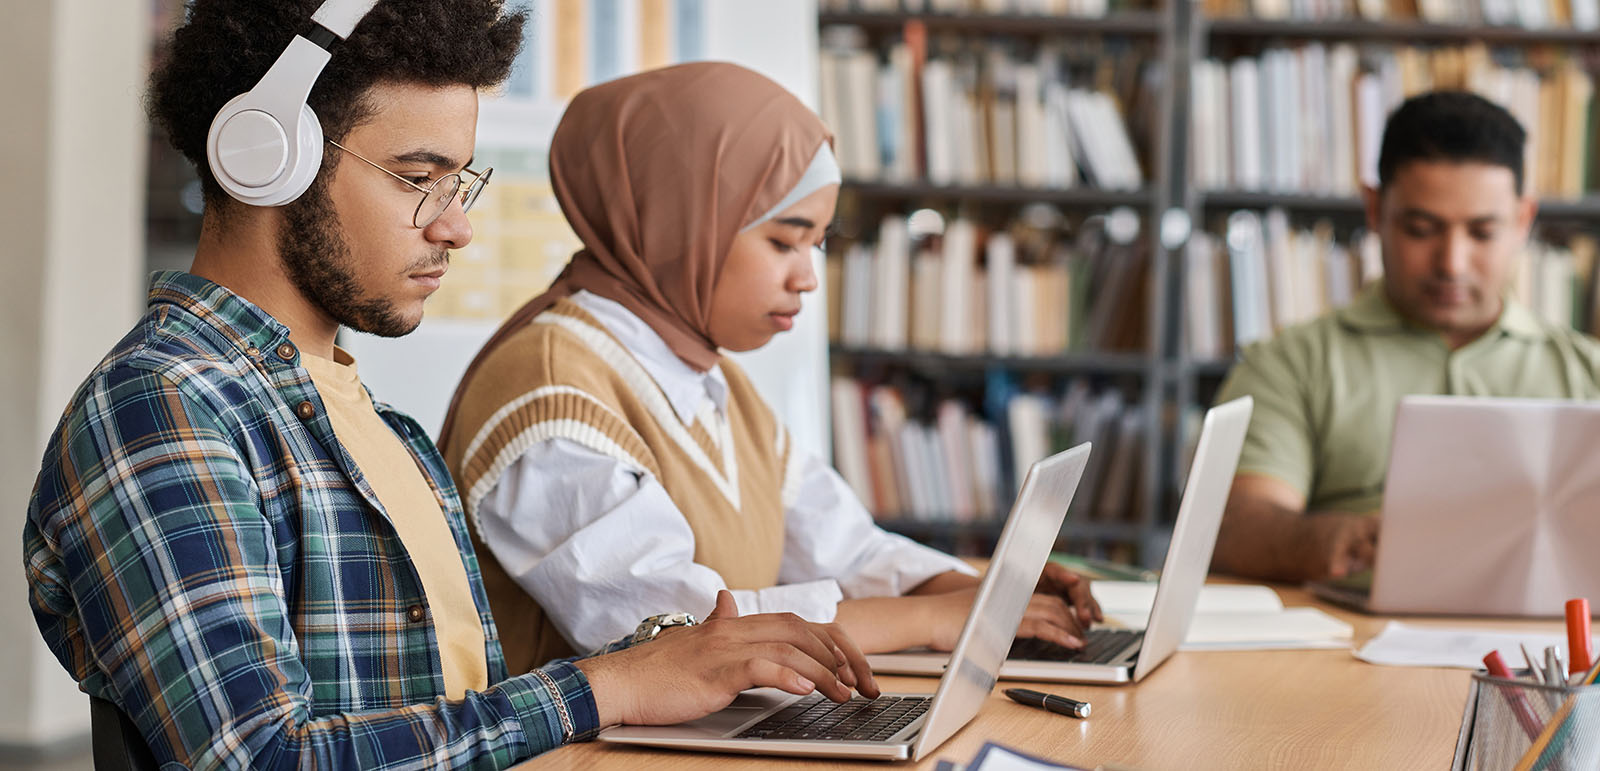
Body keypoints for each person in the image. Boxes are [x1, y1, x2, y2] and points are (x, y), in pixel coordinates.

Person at [24, 3, 875, 768]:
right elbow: (257, 756)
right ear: (266, 157)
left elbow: (460, 718)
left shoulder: (381, 425)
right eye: (415, 175)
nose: (456, 225)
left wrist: (673, 658)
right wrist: (603, 689)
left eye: (458, 179)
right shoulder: (163, 406)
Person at [439, 62, 1102, 675]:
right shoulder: (548, 389)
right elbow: (680, 632)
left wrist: (982, 589)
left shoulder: (708, 378)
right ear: (681, 222)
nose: (807, 278)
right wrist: (927, 617)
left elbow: (848, 549)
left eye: (817, 244)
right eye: (784, 240)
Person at [1210, 90, 1600, 584]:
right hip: (1346, 645)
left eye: (1482, 233)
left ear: (1523, 221)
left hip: (1550, 650)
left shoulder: (1588, 371)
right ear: (1374, 210)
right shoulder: (1291, 362)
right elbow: (1233, 525)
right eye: (1421, 229)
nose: (1451, 264)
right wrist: (1324, 541)